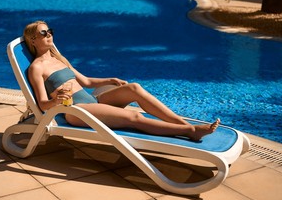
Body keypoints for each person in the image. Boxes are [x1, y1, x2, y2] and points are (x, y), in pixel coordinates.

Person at [24, 20, 220, 141]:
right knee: (134, 118)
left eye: (50, 31)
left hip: (91, 102)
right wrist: (56, 102)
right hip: (75, 111)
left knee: (134, 88)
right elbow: (42, 103)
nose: (49, 34)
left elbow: (85, 81)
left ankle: (181, 123)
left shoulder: (58, 57)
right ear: (33, 40)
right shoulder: (37, 68)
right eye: (43, 33)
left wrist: (110, 79)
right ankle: (190, 131)